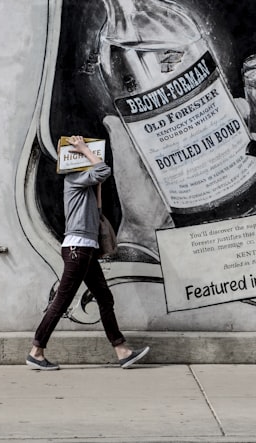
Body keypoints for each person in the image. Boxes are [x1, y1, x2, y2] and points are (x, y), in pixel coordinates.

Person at [27, 135, 150, 371]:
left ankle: (122, 351)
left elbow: (99, 207)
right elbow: (103, 170)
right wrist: (84, 148)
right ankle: (36, 351)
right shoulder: (74, 177)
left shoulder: (86, 183)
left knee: (104, 297)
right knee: (62, 301)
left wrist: (97, 184)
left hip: (85, 248)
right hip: (78, 249)